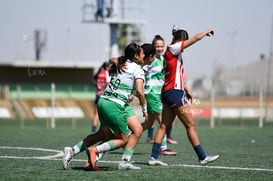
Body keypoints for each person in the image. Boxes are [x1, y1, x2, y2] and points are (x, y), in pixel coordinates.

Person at [62, 43, 148, 171]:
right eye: (142, 53)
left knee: (116, 133)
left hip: (104, 101)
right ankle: (95, 151)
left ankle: (72, 151)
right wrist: (144, 108)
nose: (144, 55)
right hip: (115, 104)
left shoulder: (123, 63)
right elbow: (140, 92)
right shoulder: (137, 69)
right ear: (136, 56)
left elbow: (114, 61)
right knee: (123, 139)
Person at [148, 25, 219, 166]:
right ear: (179, 40)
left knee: (163, 126)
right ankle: (202, 157)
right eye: (184, 42)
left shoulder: (171, 53)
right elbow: (195, 39)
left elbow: (175, 75)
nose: (184, 45)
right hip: (174, 94)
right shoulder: (173, 48)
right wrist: (205, 32)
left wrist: (186, 89)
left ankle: (153, 157)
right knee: (190, 125)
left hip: (168, 93)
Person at [141, 36, 177, 156]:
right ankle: (163, 148)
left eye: (162, 46)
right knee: (163, 121)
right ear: (153, 47)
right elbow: (141, 75)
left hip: (160, 94)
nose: (160, 48)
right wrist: (136, 91)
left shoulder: (163, 59)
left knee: (148, 124)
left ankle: (128, 136)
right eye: (157, 46)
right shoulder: (149, 60)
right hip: (151, 93)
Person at [92, 61, 112, 133]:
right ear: (107, 67)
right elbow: (107, 85)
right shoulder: (107, 73)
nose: (111, 68)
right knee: (106, 114)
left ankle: (93, 131)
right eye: (110, 67)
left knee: (96, 114)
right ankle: (106, 130)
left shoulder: (99, 73)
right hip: (103, 95)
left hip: (98, 94)